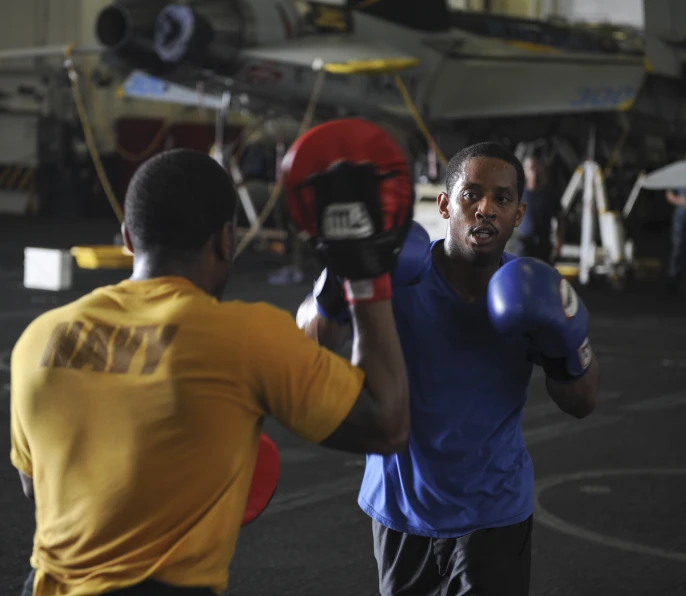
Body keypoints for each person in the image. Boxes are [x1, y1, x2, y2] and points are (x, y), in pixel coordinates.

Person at [10, 148, 411, 596]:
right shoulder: (246, 336)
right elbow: (386, 424)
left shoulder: (40, 337)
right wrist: (364, 278)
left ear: (127, 237)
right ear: (226, 239)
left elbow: (34, 484)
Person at [296, 141, 600, 596]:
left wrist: (565, 343)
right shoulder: (396, 275)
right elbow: (306, 343)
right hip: (401, 510)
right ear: (444, 204)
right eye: (470, 194)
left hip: (494, 513)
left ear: (518, 214)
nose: (485, 209)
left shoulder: (532, 293)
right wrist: (344, 275)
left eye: (501, 199)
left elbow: (583, 402)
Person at [511, 152, 565, 264]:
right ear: (525, 172)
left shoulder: (550, 194)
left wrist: (559, 243)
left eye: (537, 167)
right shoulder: (518, 194)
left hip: (544, 245)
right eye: (531, 168)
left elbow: (561, 219)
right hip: (524, 246)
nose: (535, 171)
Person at [664, 187, 686, 294]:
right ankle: (674, 278)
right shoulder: (678, 176)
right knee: (678, 247)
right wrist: (680, 201)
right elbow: (669, 194)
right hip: (681, 215)